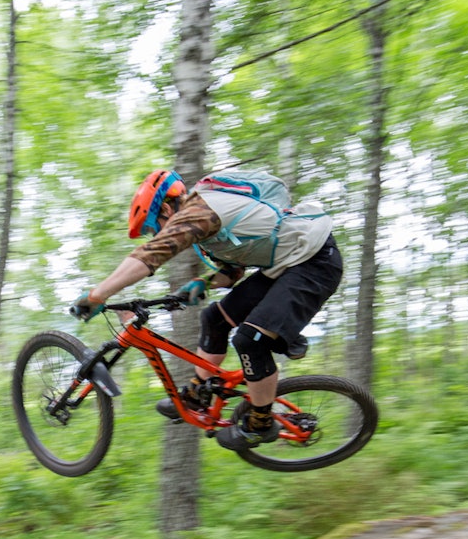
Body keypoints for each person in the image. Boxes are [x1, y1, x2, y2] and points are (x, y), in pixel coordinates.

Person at [71, 168, 343, 451]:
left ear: (166, 207)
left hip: (315, 262)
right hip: (284, 267)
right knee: (214, 318)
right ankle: (196, 394)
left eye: (155, 226)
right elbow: (234, 272)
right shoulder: (205, 227)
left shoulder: (203, 208)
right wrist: (204, 282)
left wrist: (97, 294)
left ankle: (260, 423)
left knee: (250, 340)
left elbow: (151, 254)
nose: (158, 233)